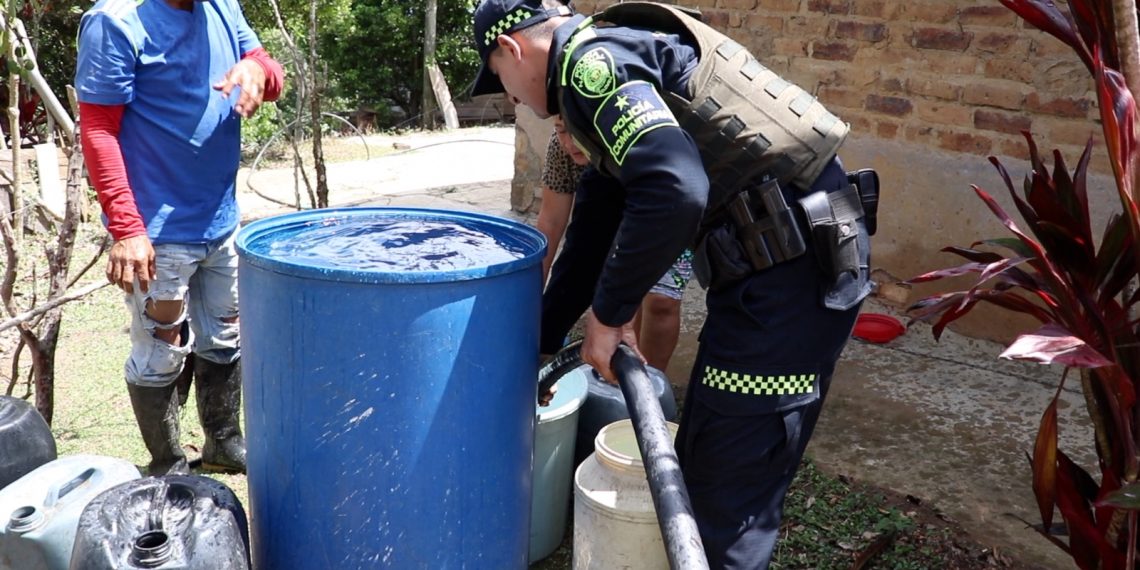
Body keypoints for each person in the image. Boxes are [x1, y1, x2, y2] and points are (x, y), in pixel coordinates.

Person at [471, 0, 875, 567]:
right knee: (710, 461)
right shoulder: (609, 56)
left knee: (722, 496)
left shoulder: (590, 66)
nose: (512, 98)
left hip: (788, 282)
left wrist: (608, 318)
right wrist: (541, 342)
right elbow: (597, 221)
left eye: (499, 79)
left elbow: (674, 189)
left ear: (511, 49)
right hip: (778, 273)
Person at [76, 0, 284, 476]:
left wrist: (257, 69)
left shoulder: (221, 5)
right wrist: (127, 228)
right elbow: (99, 130)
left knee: (226, 333)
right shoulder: (116, 22)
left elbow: (271, 73)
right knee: (161, 348)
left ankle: (223, 443)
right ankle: (167, 464)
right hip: (157, 233)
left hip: (221, 219)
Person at [537, 115, 692, 372]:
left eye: (576, 131)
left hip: (663, 202)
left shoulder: (636, 145)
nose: (570, 142)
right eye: (561, 131)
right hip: (607, 207)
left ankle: (649, 387)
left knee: (660, 301)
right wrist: (531, 304)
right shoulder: (560, 148)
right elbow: (551, 223)